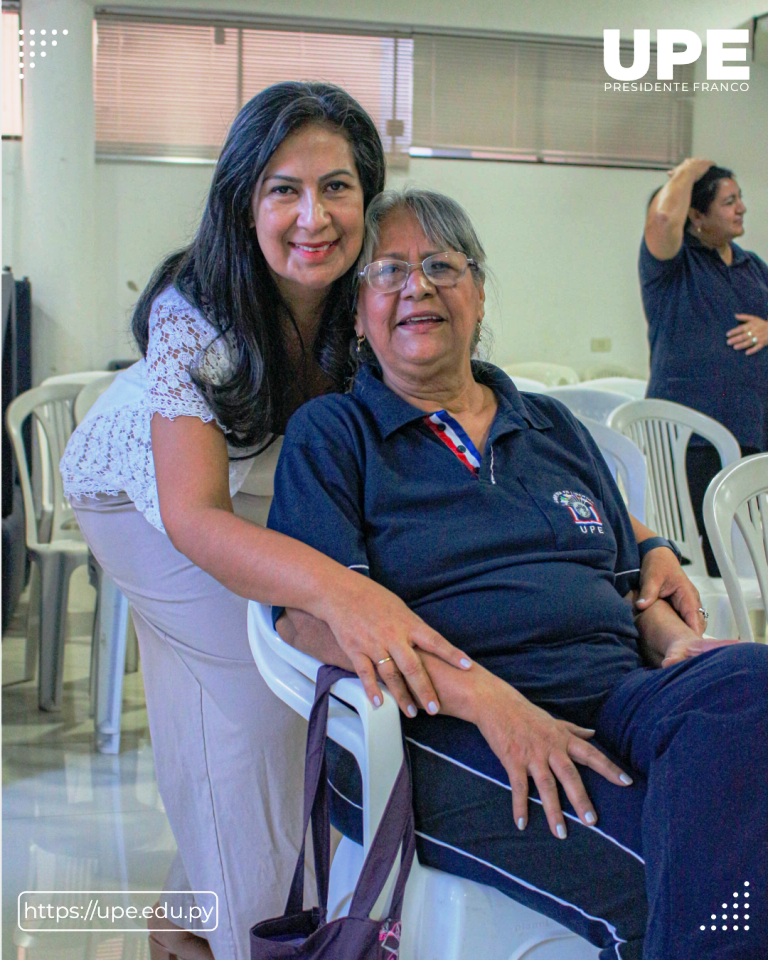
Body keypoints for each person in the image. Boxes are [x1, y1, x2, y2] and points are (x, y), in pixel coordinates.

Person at [268, 188, 768, 960]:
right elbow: (309, 616)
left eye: (442, 265)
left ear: (479, 290)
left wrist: (673, 643)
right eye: (390, 270)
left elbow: (628, 577)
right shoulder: (337, 435)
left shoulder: (549, 424)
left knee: (750, 680)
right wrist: (496, 704)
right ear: (359, 309)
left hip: (620, 694)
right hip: (447, 727)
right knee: (692, 876)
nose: (419, 286)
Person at [60, 84, 475, 960]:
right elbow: (196, 517)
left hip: (254, 488)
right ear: (245, 199)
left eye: (336, 187)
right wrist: (342, 597)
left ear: (369, 196)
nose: (311, 217)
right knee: (262, 700)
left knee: (237, 702)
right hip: (142, 498)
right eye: (283, 189)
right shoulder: (195, 307)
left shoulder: (372, 292)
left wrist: (640, 537)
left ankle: (189, 918)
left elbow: (471, 402)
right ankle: (256, 935)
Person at [641, 158, 768, 574]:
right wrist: (690, 171)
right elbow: (661, 217)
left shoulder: (754, 267)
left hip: (754, 435)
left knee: (757, 562)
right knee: (720, 565)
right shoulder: (672, 266)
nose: (742, 208)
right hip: (693, 443)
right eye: (729, 201)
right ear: (696, 216)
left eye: (740, 199)